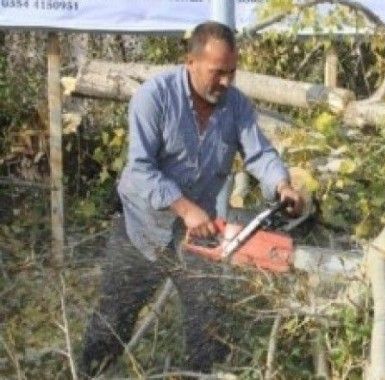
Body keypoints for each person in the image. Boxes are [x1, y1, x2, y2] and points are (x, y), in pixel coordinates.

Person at [79, 21, 304, 376]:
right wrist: (184, 208)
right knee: (110, 325)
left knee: (208, 328)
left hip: (200, 238)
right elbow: (139, 169)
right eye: (218, 73)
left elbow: (258, 154)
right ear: (191, 62)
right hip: (140, 230)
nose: (226, 82)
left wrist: (282, 186)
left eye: (232, 72)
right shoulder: (154, 96)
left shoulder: (237, 106)